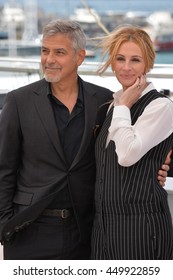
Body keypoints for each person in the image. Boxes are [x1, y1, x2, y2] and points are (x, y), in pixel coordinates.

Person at [0, 20, 169, 260]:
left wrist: (160, 167)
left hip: (85, 230)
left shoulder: (103, 101)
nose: (49, 59)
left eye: (59, 52)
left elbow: (136, 147)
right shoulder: (19, 101)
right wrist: (5, 224)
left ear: (80, 57)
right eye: (45, 51)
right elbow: (4, 167)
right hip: (30, 229)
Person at [91, 25, 173, 260]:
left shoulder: (160, 106)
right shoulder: (111, 107)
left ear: (148, 64)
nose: (126, 67)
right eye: (120, 59)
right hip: (104, 227)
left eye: (135, 60)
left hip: (141, 228)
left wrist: (124, 107)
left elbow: (127, 155)